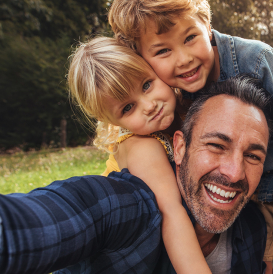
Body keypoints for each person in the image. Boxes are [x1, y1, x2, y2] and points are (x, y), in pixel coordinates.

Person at [108, 0, 273, 274]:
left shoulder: (258, 62)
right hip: (257, 186)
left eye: (190, 37)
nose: (184, 59)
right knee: (258, 258)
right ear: (144, 58)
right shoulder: (175, 92)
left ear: (206, 24)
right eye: (163, 51)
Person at [0, 76, 269, 274]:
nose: (234, 171)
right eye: (216, 145)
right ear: (180, 147)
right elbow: (33, 223)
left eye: (253, 155)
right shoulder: (130, 204)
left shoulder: (254, 228)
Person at [67, 36, 209, 274]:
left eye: (146, 85)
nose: (149, 105)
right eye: (127, 108)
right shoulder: (142, 146)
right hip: (113, 256)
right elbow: (171, 214)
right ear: (109, 120)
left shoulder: (183, 111)